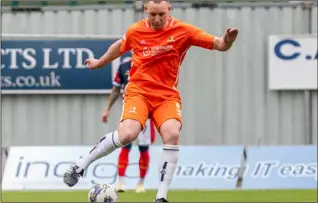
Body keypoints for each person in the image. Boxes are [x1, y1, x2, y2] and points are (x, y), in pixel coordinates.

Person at [63, 0, 238, 202]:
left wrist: (228, 41)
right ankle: (80, 165)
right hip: (139, 91)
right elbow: (119, 47)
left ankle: (161, 197)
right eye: (152, 14)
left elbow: (219, 44)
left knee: (172, 134)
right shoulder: (136, 31)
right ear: (145, 10)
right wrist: (99, 63)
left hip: (166, 95)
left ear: (169, 10)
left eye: (161, 14)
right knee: (128, 134)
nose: (156, 19)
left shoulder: (184, 31)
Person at [101, 57, 155, 193]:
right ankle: (121, 183)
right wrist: (107, 109)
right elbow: (115, 90)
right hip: (129, 112)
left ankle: (141, 184)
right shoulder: (124, 66)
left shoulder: (151, 64)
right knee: (125, 146)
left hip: (146, 114)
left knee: (143, 149)